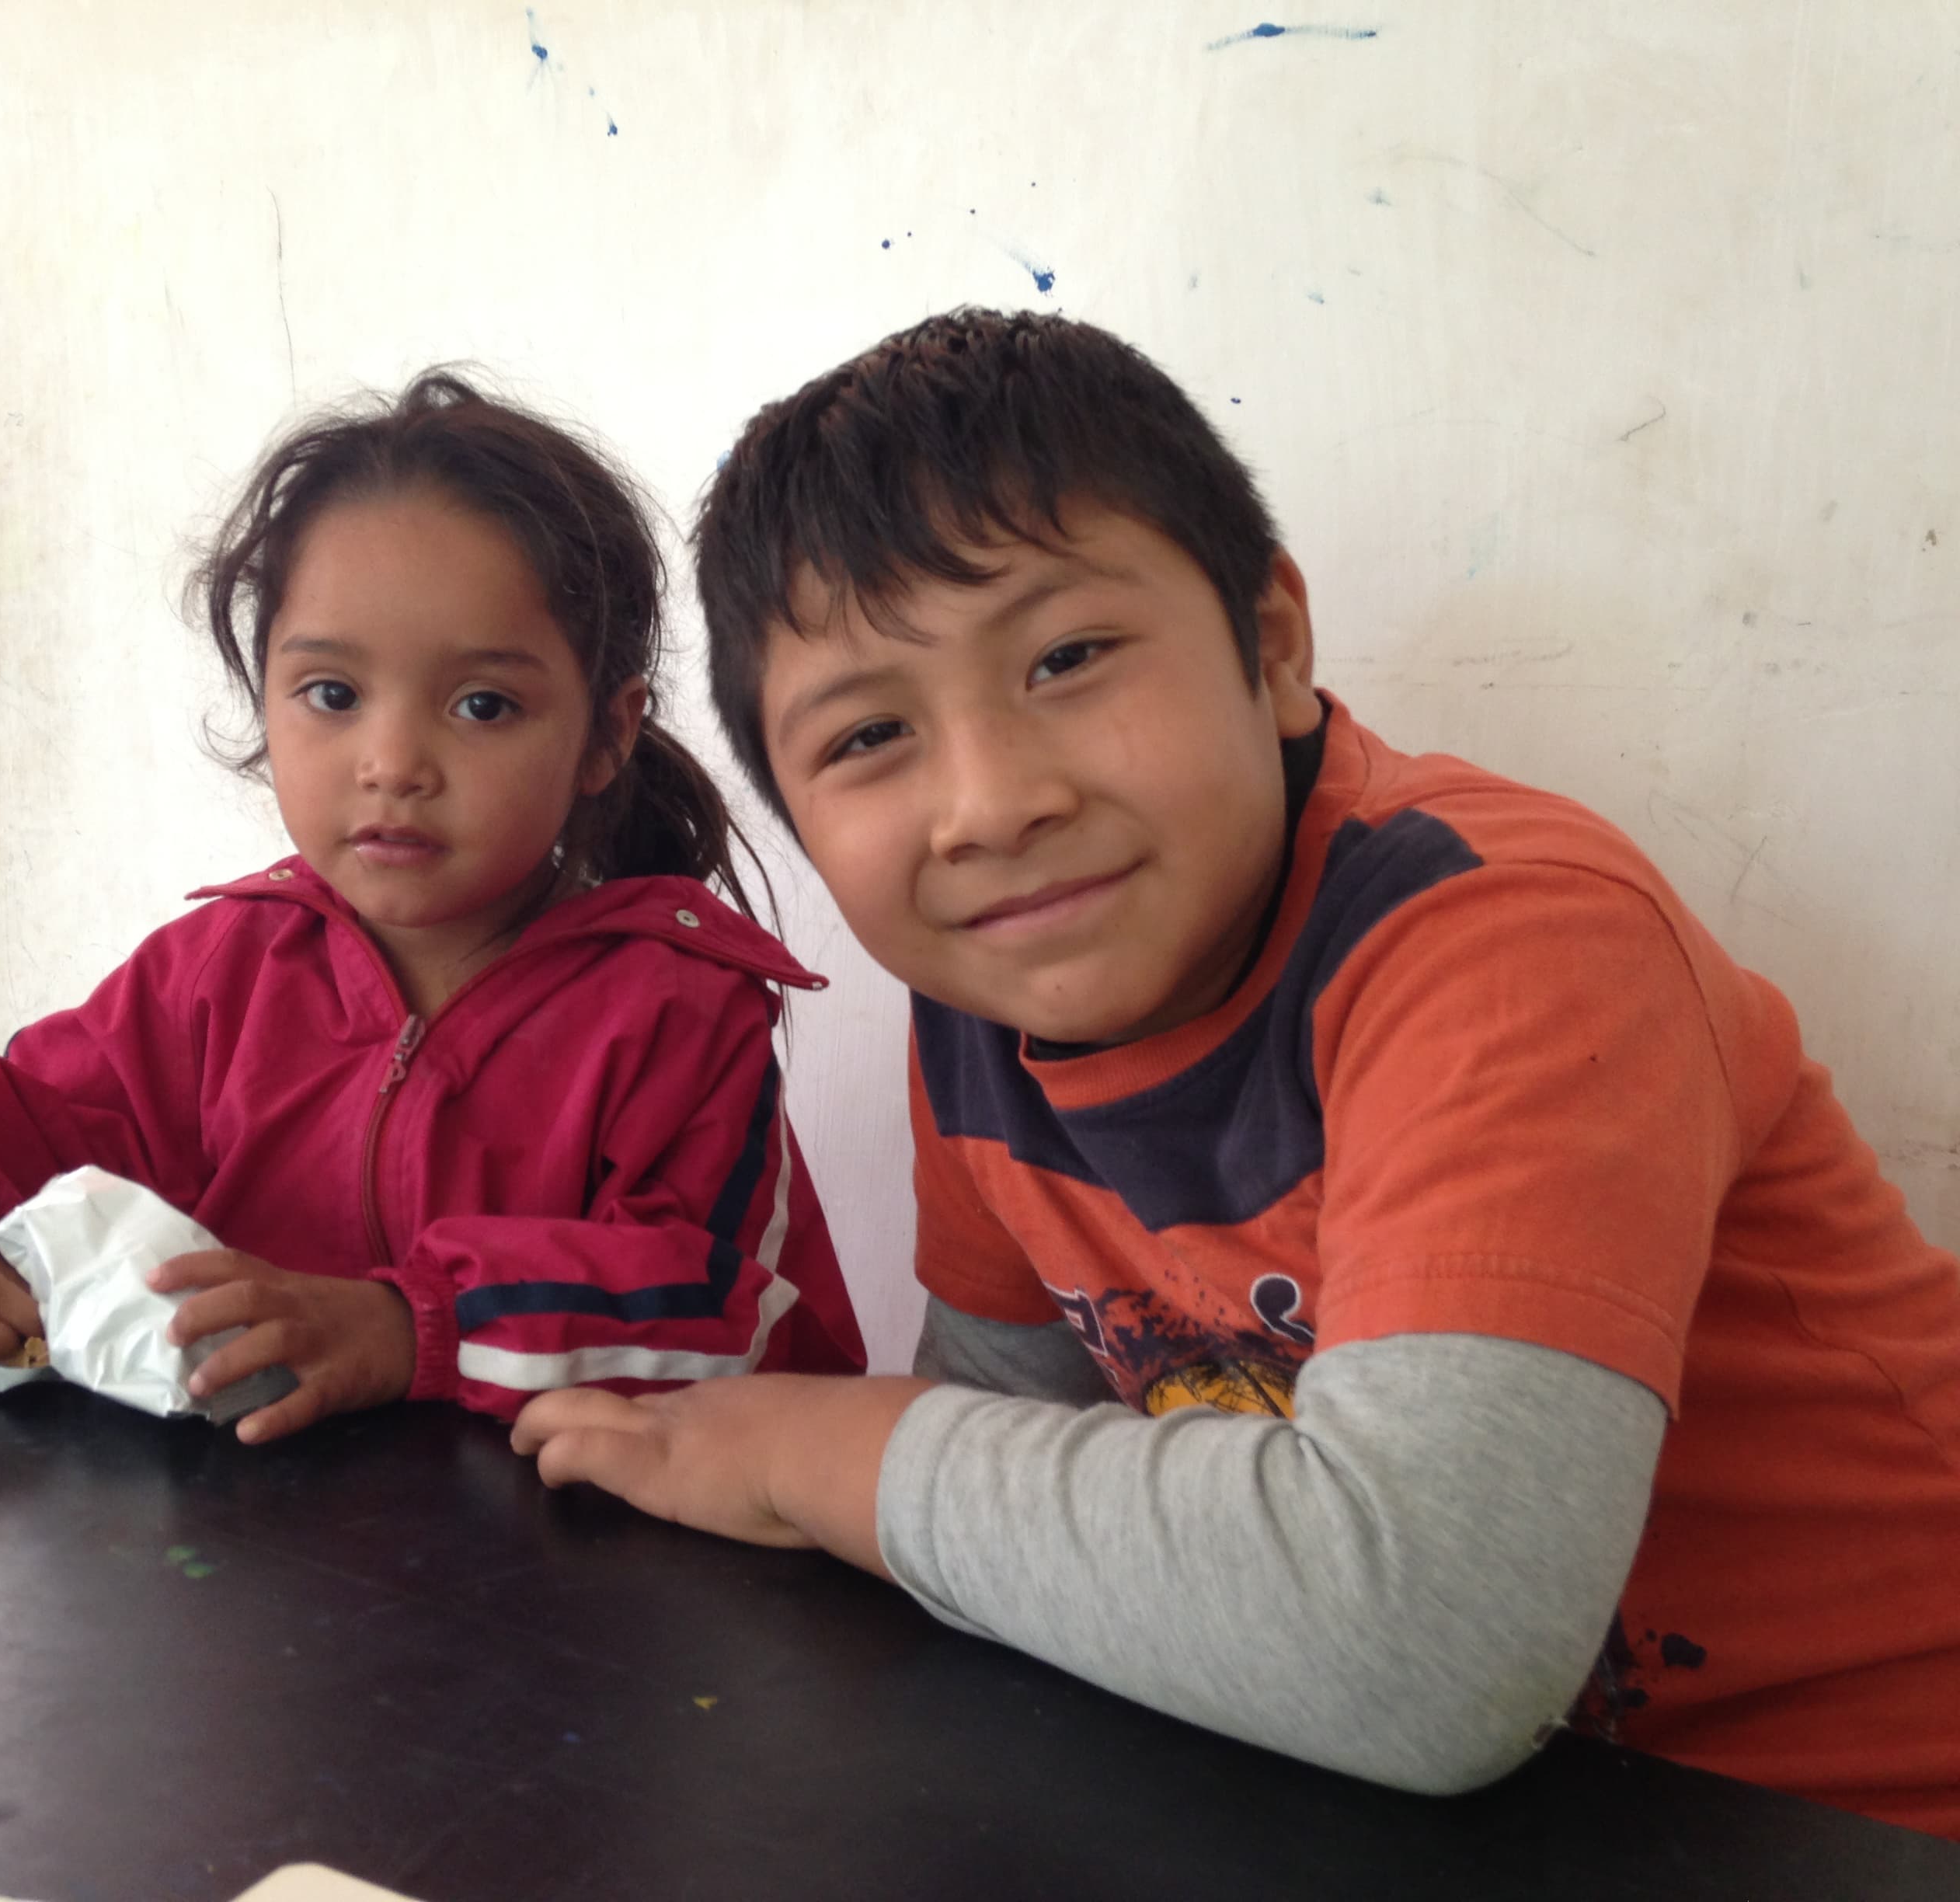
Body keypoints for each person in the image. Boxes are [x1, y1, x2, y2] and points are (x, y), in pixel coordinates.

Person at [512, 310, 1960, 1838]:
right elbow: (1008, 1459)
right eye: (871, 735)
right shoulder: (987, 1009)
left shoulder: (1509, 942)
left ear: (1269, 645)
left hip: (1861, 1822)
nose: (993, 807)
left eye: (1067, 658)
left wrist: (808, 1447)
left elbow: (1422, 1638)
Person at [0, 372, 865, 1442]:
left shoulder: (678, 1015)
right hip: (250, 1605)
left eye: (481, 703)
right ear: (263, 696)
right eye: (332, 694)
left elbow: (737, 1324)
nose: (392, 761)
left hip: (564, 1613)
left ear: (606, 735)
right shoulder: (211, 983)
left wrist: (409, 1328)